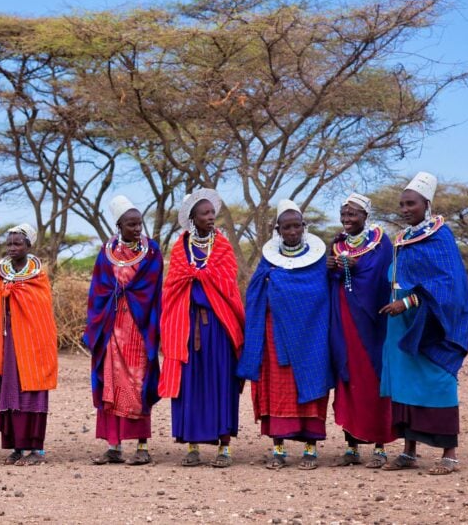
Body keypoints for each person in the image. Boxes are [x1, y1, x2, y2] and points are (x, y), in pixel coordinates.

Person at [379, 172, 468, 475]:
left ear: (426, 203)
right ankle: (408, 451)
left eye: (411, 204)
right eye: (402, 204)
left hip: (431, 321)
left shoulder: (440, 236)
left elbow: (448, 284)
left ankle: (449, 454)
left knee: (437, 380)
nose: (405, 209)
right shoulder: (404, 238)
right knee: (404, 381)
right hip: (400, 323)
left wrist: (406, 302)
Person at [237, 199, 334, 470]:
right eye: (286, 228)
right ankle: (278, 449)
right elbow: (256, 292)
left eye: (296, 227)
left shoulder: (318, 262)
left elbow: (320, 294)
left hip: (311, 337)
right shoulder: (268, 262)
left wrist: (282, 286)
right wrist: (274, 284)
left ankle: (310, 450)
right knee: (277, 389)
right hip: (274, 335)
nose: (292, 232)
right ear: (277, 230)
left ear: (304, 227)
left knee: (311, 388)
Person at [159, 189, 245, 468]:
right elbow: (172, 285)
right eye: (204, 213)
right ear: (192, 217)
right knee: (190, 384)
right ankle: (192, 445)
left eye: (212, 212)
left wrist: (202, 278)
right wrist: (195, 280)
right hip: (186, 325)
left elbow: (228, 281)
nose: (210, 217)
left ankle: (224, 446)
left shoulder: (222, 246)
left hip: (218, 326)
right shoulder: (179, 247)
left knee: (221, 381)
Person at [84, 196, 162, 466]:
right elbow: (97, 289)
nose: (137, 228)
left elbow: (153, 288)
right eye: (131, 224)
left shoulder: (151, 252)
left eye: (139, 223)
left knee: (138, 382)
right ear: (119, 225)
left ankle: (142, 446)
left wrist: (129, 294)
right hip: (110, 326)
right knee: (112, 383)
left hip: (139, 327)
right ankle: (113, 446)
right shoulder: (106, 253)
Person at [326, 193, 397, 468]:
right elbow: (333, 280)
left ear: (366, 216)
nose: (347, 219)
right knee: (348, 378)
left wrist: (355, 268)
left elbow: (383, 276)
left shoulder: (380, 243)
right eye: (344, 214)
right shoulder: (337, 244)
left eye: (353, 214)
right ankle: (351, 445)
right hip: (344, 320)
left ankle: (380, 446)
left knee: (375, 381)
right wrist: (331, 267)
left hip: (373, 324)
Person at [0, 223, 59, 466]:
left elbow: (41, 307)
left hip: (33, 342)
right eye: (9, 243)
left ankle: (36, 448)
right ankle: (16, 446)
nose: (12, 248)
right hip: (7, 341)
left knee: (32, 390)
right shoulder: (0, 273)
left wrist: (14, 293)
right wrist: (5, 294)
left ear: (29, 246)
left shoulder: (38, 275)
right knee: (9, 389)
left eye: (17, 243)